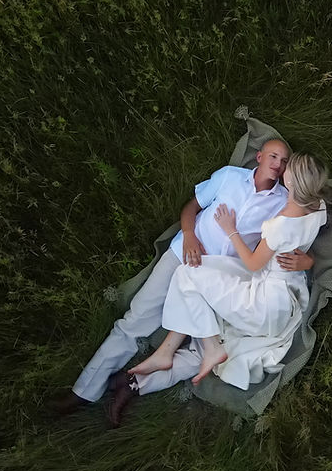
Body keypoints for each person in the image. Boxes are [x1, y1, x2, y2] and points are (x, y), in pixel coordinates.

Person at [53, 139, 314, 416]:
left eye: (285, 161)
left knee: (206, 350)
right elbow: (192, 207)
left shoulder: (281, 204)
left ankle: (134, 383)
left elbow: (292, 237)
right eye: (273, 156)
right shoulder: (229, 176)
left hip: (218, 278)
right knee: (136, 319)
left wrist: (308, 260)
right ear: (259, 156)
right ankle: (84, 391)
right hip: (183, 255)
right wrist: (189, 235)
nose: (278, 164)